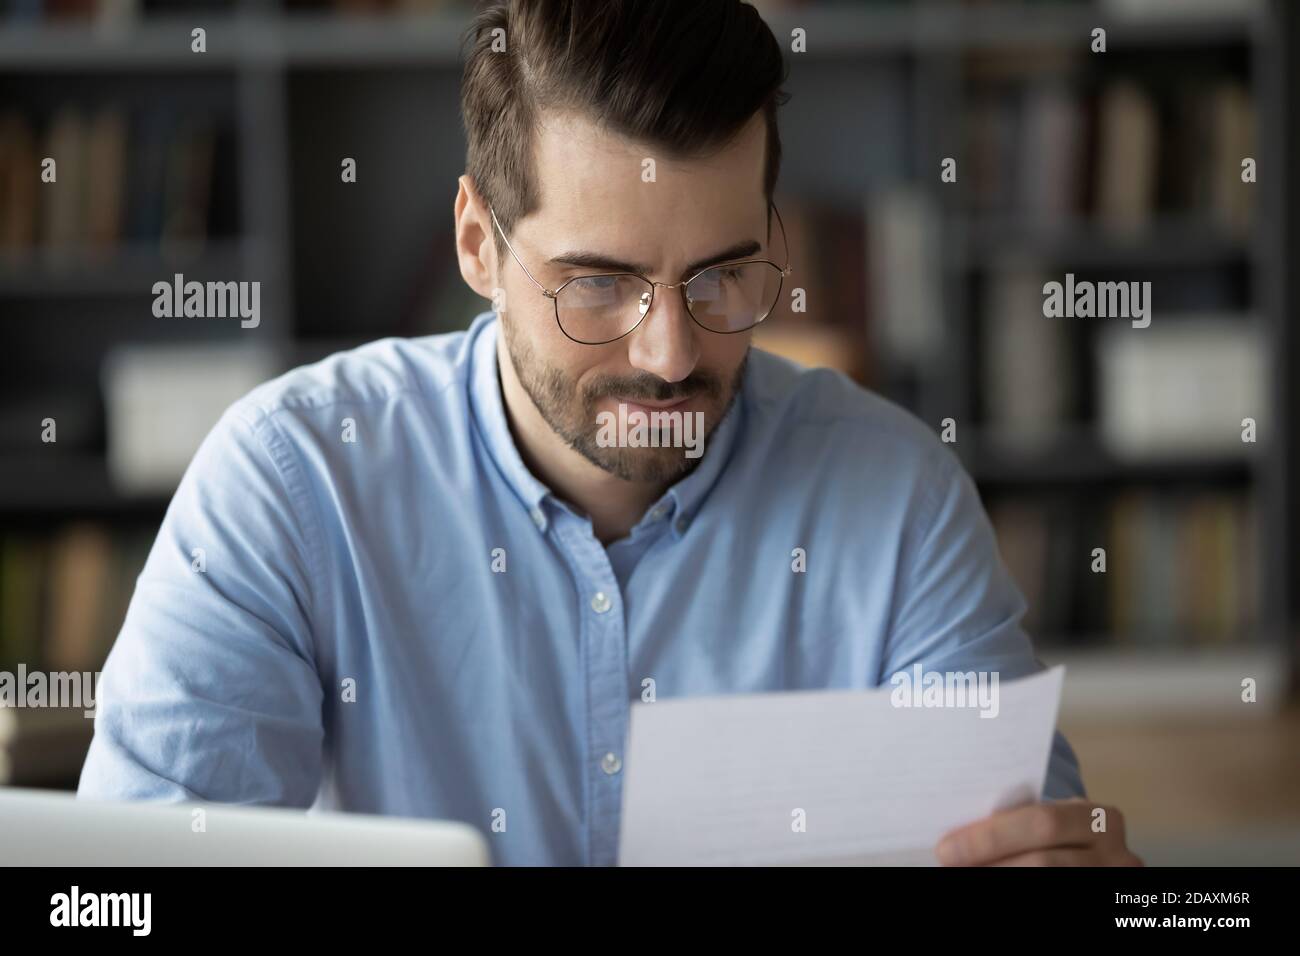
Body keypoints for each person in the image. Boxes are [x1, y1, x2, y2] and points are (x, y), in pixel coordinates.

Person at [79, 0, 1140, 867]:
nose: (671, 352)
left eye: (722, 275)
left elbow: (1021, 838)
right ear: (475, 245)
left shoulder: (896, 495)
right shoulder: (290, 481)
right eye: (598, 282)